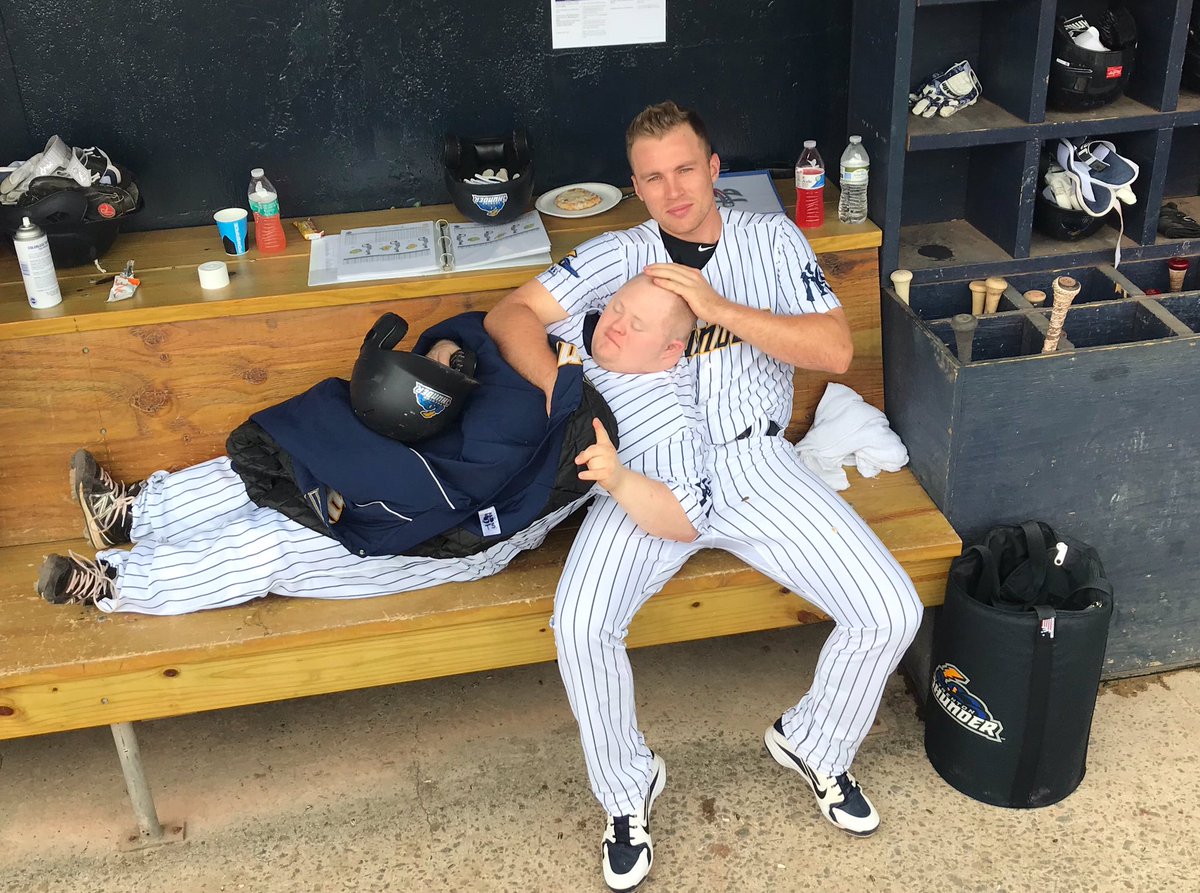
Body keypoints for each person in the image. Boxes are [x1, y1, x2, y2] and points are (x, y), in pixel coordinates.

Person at [484, 101, 923, 891]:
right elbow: (510, 314)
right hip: (645, 471)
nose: (673, 189)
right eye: (653, 177)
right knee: (582, 622)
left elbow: (832, 346)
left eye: (686, 168)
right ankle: (628, 789)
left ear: (715, 169)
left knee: (891, 609)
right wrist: (567, 393)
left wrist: (718, 308)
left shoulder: (769, 237)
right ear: (636, 186)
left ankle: (815, 742)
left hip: (757, 464)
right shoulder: (619, 251)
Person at [35, 276, 707, 616]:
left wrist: (614, 475)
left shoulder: (665, 409)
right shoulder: (576, 341)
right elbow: (503, 320)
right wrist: (452, 355)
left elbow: (681, 515)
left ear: (672, 349)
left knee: (279, 541)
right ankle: (133, 515)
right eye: (617, 309)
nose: (613, 326)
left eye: (636, 325)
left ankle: (114, 582)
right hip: (431, 455)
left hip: (456, 533)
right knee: (298, 455)